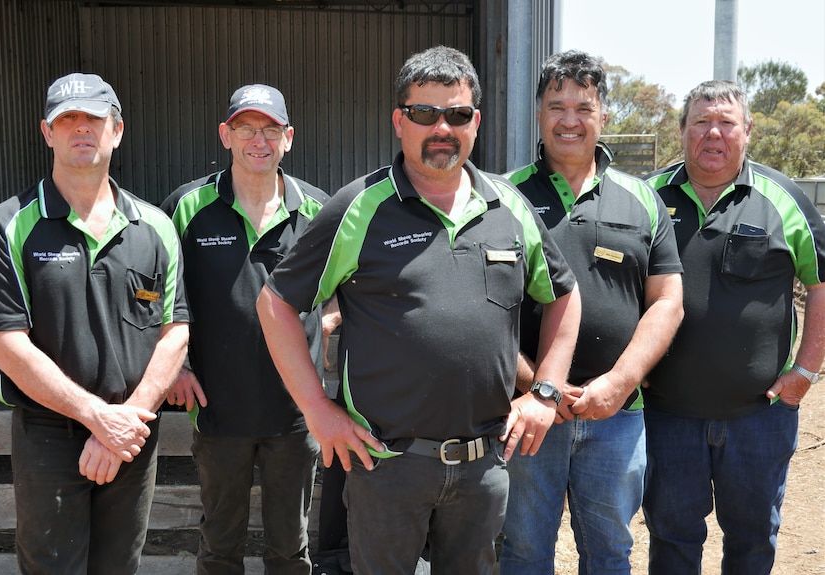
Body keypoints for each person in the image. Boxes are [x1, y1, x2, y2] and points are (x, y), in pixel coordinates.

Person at [256, 45, 582, 575]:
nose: (441, 128)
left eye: (456, 115)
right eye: (424, 114)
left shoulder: (510, 207)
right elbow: (275, 304)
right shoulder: (360, 207)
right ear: (399, 121)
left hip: (484, 465)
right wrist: (317, 411)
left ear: (475, 122)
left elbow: (565, 295)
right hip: (386, 466)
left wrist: (544, 392)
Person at [0, 72, 190, 574]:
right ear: (47, 132)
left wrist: (123, 421)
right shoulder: (8, 224)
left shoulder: (155, 227)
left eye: (93, 118)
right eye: (67, 119)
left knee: (119, 566)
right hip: (50, 436)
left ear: (118, 130)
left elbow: (175, 332)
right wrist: (96, 418)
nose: (80, 129)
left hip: (133, 431)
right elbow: (8, 347)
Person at [498, 49, 685, 575]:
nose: (570, 119)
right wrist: (541, 388)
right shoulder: (504, 197)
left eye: (583, 106)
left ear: (604, 114)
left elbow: (667, 302)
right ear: (538, 113)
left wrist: (621, 383)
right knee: (523, 553)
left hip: (617, 419)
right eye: (557, 106)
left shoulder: (642, 200)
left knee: (609, 555)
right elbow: (483, 308)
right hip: (528, 415)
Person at [642, 79, 825, 574]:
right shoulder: (647, 199)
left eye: (726, 122)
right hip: (666, 416)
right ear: (682, 131)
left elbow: (822, 282)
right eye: (701, 122)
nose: (713, 134)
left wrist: (806, 370)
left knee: (752, 539)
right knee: (672, 537)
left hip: (759, 416)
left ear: (747, 131)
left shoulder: (785, 199)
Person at [161, 83, 331, 574]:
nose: (259, 140)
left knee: (289, 549)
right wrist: (178, 366)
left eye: (271, 129)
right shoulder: (187, 207)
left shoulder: (317, 211)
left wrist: (325, 320)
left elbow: (352, 286)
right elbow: (157, 294)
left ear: (289, 137)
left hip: (296, 412)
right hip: (218, 410)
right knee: (219, 545)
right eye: (246, 129)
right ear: (225, 135)